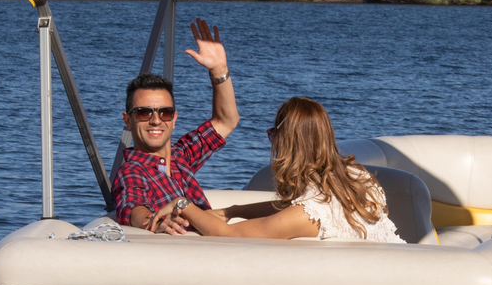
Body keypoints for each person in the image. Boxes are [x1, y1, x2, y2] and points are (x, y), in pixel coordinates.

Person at [152, 97, 404, 243]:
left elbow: (228, 235)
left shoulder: (308, 215)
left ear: (287, 142)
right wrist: (232, 210)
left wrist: (182, 204)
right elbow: (294, 206)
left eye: (273, 134)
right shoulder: (358, 179)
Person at [113, 18, 240, 233]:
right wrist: (156, 221)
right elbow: (133, 208)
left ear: (174, 119)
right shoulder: (132, 171)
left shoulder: (182, 156)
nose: (155, 120)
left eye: (165, 113)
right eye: (144, 112)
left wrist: (219, 70)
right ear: (127, 120)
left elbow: (227, 120)